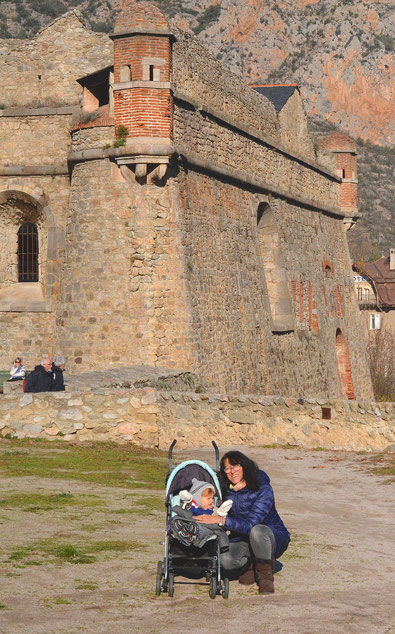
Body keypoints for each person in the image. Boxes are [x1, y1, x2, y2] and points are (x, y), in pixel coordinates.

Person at [195, 450, 290, 594]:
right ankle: (250, 565)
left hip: (270, 536)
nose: (231, 471)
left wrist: (220, 520)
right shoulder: (226, 490)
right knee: (225, 560)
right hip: (242, 537)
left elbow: (251, 525)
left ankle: (265, 577)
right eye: (227, 468)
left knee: (256, 531)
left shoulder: (263, 489)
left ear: (244, 466)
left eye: (235, 466)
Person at [171, 478, 232, 551]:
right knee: (181, 516)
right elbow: (186, 509)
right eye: (208, 498)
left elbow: (217, 517)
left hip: (204, 527)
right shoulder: (192, 506)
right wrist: (187, 500)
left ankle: (194, 532)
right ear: (198, 497)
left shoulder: (212, 509)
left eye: (212, 498)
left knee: (207, 530)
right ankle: (184, 530)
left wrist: (221, 511)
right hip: (189, 521)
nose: (212, 501)